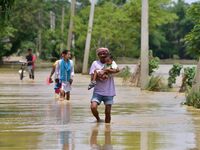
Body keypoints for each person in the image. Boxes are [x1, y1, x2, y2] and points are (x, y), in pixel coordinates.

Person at [89, 47, 119, 123]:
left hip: (109, 91)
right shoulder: (95, 63)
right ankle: (98, 119)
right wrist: (98, 76)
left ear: (107, 54)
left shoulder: (112, 62)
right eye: (100, 54)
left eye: (104, 53)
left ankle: (107, 130)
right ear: (98, 55)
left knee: (108, 113)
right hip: (98, 91)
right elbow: (92, 77)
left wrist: (106, 70)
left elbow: (117, 70)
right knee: (93, 107)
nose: (102, 55)